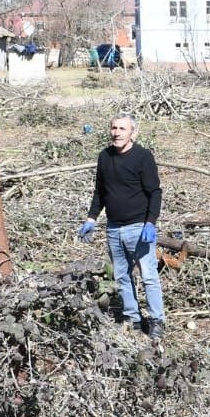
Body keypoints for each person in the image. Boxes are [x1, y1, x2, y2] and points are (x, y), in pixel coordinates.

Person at [79, 113, 166, 339]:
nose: (116, 133)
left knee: (148, 276)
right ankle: (132, 320)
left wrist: (150, 222)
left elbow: (154, 192)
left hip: (139, 227)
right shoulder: (105, 156)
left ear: (132, 133)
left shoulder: (143, 157)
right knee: (122, 276)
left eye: (122, 129)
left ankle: (156, 321)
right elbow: (100, 191)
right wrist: (91, 218)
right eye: (114, 128)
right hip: (114, 228)